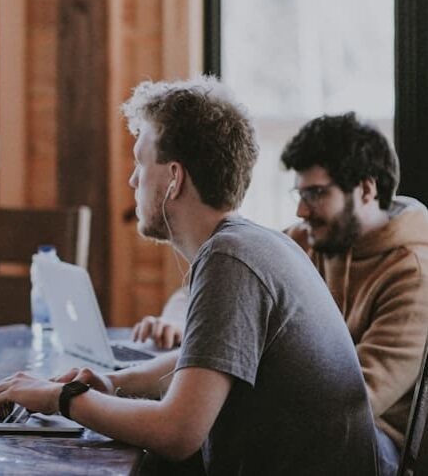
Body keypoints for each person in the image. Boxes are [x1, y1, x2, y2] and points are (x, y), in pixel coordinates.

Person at [0, 77, 381, 474]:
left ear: (174, 178)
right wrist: (113, 382)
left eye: (140, 163)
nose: (132, 180)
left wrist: (61, 398)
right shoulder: (255, 244)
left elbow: (177, 433)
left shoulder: (230, 259)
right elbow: (206, 358)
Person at [132, 112, 428, 468]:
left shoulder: (413, 273)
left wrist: (208, 381)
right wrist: (180, 322)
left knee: (176, 438)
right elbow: (220, 290)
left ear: (366, 190)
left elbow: (354, 400)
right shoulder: (305, 238)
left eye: (317, 194)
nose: (302, 209)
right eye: (299, 194)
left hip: (366, 446)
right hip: (296, 424)